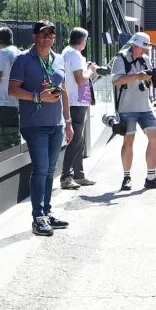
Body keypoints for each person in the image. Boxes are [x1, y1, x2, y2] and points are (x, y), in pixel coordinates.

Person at [7, 20, 74, 236]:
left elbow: (63, 90)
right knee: (41, 170)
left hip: (57, 124)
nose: (46, 37)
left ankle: (46, 212)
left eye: (51, 34)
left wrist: (69, 121)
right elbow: (12, 90)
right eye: (42, 33)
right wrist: (37, 96)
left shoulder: (59, 59)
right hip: (34, 124)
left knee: (50, 171)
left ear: (55, 38)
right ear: (33, 36)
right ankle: (38, 218)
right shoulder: (22, 60)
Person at [111, 33, 156, 192]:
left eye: (146, 46)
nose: (145, 49)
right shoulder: (121, 58)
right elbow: (116, 80)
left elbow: (149, 81)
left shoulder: (146, 59)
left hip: (145, 106)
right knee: (129, 141)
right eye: (144, 46)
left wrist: (151, 79)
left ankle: (151, 177)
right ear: (135, 45)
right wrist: (138, 76)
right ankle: (126, 177)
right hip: (127, 107)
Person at [59, 27, 98, 190]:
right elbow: (80, 79)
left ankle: (79, 175)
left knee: (78, 140)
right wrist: (90, 71)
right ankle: (66, 177)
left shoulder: (67, 52)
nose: (87, 42)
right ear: (81, 40)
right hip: (76, 101)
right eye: (86, 39)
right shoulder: (74, 54)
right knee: (75, 140)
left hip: (75, 101)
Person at [0, 26, 21, 151]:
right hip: (18, 101)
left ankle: (8, 166)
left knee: (5, 141)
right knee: (15, 138)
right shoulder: (18, 52)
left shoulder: (2, 53)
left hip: (5, 102)